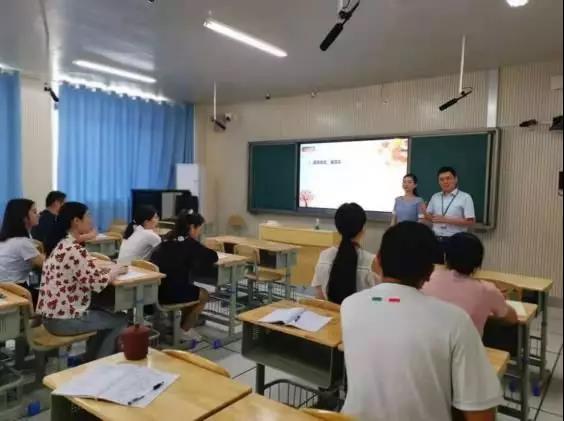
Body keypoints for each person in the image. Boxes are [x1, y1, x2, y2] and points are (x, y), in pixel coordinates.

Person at [341, 222, 502, 421]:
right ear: (429, 272)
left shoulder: (350, 305)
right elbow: (481, 414)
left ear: (378, 260)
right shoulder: (455, 321)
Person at [36, 202, 128, 360]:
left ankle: (91, 358)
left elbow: (84, 275)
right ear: (76, 221)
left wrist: (105, 272)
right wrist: (115, 270)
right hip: (64, 320)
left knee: (104, 313)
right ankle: (99, 364)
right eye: (88, 216)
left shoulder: (59, 244)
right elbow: (97, 283)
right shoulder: (74, 250)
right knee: (121, 319)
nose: (91, 220)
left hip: (50, 316)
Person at [422, 232, 517, 335]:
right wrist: (497, 298)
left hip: (428, 341)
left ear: (445, 257)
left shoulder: (427, 279)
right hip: (466, 344)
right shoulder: (487, 290)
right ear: (479, 262)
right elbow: (512, 318)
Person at [150, 210, 215, 342]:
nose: (199, 233)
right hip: (171, 295)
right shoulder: (189, 243)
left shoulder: (166, 238)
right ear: (192, 227)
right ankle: (184, 330)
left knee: (189, 287)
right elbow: (213, 256)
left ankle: (178, 325)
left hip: (155, 291)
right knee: (204, 294)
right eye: (199, 229)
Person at [311, 203, 379, 305]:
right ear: (362, 229)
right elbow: (378, 300)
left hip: (331, 313)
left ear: (338, 228)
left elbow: (319, 298)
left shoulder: (324, 256)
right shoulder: (371, 261)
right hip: (361, 314)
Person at [425, 167, 475, 261]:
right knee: (436, 267)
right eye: (441, 179)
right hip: (436, 239)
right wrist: (426, 214)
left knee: (454, 268)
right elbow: (429, 217)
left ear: (455, 179)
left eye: (448, 178)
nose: (445, 182)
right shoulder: (435, 197)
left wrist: (446, 219)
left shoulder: (465, 197)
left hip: (457, 240)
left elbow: (470, 221)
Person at [0, 199, 45, 286]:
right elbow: (46, 264)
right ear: (24, 217)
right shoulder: (22, 242)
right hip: (16, 288)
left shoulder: (8, 239)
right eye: (34, 212)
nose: (38, 215)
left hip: (5, 287)